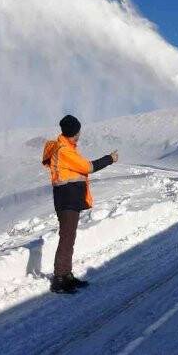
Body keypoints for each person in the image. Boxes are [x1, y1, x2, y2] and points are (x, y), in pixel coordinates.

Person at [41, 115, 118, 294]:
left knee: (69, 237)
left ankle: (66, 275)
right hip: (66, 200)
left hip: (70, 199)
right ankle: (59, 279)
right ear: (73, 132)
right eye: (78, 131)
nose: (80, 134)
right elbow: (87, 167)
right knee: (67, 238)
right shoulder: (64, 151)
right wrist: (110, 159)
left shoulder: (67, 148)